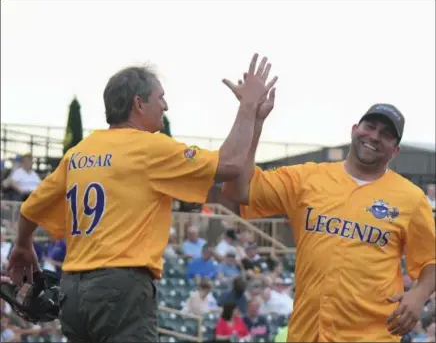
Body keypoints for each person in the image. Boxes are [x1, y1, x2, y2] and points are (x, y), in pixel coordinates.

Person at [6, 53, 278, 342]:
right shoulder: (148, 148)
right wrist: (248, 106)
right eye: (160, 98)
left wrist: (23, 244)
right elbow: (232, 164)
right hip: (121, 290)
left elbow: (29, 209)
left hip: (72, 292)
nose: (165, 105)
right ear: (138, 103)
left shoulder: (79, 153)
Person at [222, 100, 436, 342]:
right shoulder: (307, 178)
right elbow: (239, 191)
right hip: (307, 332)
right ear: (355, 130)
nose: (375, 136)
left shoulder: (411, 198)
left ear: (395, 150)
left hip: (373, 336)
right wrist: (253, 120)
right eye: (370, 126)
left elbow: (431, 259)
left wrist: (419, 294)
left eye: (386, 134)